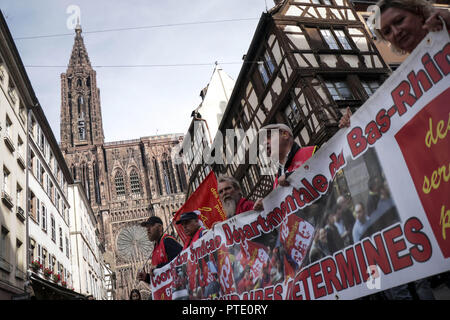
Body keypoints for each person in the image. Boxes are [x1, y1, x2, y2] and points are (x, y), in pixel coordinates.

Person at [254, 123, 316, 210]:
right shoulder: (276, 181)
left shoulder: (312, 152)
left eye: (269, 136)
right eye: (262, 141)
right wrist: (266, 206)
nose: (264, 143)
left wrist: (292, 177)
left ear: (285, 134)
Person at [374, 0, 450, 54]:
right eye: (387, 31)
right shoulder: (403, 75)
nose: (396, 32)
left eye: (399, 21)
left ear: (419, 12)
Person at [137, 216, 182, 283]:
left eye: (151, 226)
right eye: (147, 227)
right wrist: (147, 278)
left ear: (160, 227)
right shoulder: (156, 248)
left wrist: (157, 267)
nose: (148, 230)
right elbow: (161, 279)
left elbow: (180, 261)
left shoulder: (168, 241)